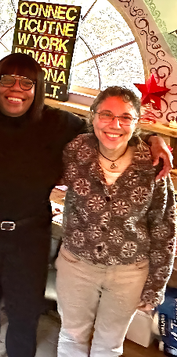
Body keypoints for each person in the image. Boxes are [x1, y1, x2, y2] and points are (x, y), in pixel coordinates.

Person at [0, 53, 172, 357]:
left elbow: (110, 131)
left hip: (29, 237)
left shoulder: (58, 124)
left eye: (26, 82)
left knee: (25, 313)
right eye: (7, 79)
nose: (16, 88)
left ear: (37, 88)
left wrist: (152, 138)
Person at [56, 86, 176, 356]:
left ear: (137, 122)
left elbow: (164, 227)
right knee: (71, 336)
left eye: (125, 117)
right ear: (93, 116)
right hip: (77, 263)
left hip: (129, 271)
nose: (115, 124)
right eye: (107, 115)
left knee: (109, 345)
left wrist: (155, 286)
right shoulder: (75, 151)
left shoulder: (153, 164)